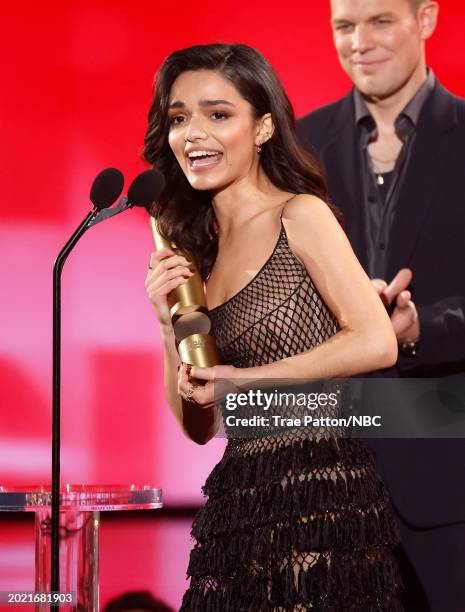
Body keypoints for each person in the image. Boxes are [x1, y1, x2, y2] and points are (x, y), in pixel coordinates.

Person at [144, 43, 404, 610]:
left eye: (218, 114)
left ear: (262, 128)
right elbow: (200, 424)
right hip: (241, 501)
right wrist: (169, 327)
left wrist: (247, 379)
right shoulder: (198, 260)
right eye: (179, 117)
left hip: (317, 490)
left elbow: (376, 341)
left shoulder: (299, 214)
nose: (193, 133)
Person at [297, 0, 465, 609]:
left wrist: (420, 329)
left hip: (448, 472)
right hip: (323, 477)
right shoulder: (299, 145)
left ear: (427, 19)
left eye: (381, 21)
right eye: (344, 26)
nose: (359, 42)